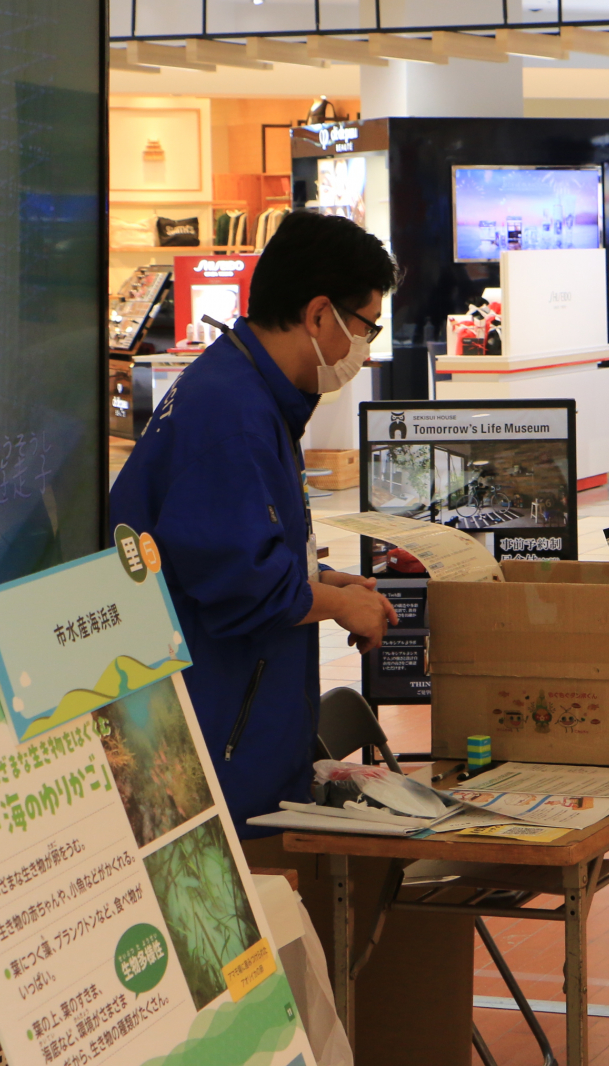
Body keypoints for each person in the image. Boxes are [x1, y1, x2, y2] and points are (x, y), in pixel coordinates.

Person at [108, 212, 400, 830]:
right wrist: (341, 606)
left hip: (237, 714)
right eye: (365, 326)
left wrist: (324, 580)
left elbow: (234, 540)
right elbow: (243, 585)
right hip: (213, 734)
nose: (363, 348)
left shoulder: (247, 391)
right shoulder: (232, 412)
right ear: (319, 315)